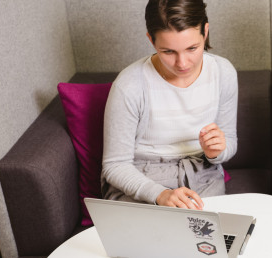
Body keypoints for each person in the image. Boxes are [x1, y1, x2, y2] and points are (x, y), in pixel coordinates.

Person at [101, 0, 237, 210]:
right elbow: (115, 165)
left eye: (192, 48)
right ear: (151, 40)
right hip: (143, 178)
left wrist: (216, 151)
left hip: (201, 175)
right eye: (168, 52)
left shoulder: (223, 72)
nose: (182, 64)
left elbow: (229, 143)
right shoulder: (129, 85)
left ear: (205, 32)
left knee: (207, 239)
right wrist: (160, 195)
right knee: (151, 239)